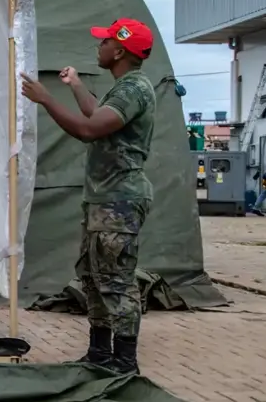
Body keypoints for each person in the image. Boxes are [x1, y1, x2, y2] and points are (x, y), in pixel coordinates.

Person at [20, 18, 157, 375]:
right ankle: (99, 354)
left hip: (119, 201)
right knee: (94, 277)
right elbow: (96, 114)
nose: (99, 47)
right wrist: (76, 85)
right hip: (103, 200)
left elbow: (87, 129)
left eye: (104, 42)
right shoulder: (124, 87)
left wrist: (46, 98)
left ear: (120, 51)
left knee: (117, 282)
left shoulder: (134, 89)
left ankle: (124, 363)